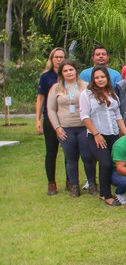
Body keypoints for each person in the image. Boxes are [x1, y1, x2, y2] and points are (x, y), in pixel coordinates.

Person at [80, 66, 126, 206]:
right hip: (97, 135)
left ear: (107, 78)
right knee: (105, 163)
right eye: (97, 77)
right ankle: (106, 195)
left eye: (102, 77)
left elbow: (118, 115)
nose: (100, 80)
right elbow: (84, 117)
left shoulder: (112, 93)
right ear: (93, 80)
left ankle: (108, 190)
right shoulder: (87, 94)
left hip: (113, 134)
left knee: (111, 163)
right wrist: (96, 134)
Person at [47, 60, 89, 198]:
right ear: (61, 73)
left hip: (83, 127)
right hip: (65, 128)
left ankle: (92, 183)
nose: (69, 73)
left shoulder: (86, 86)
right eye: (65, 71)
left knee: (87, 157)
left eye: (71, 70)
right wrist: (57, 128)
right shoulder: (56, 88)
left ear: (76, 70)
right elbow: (51, 109)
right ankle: (74, 185)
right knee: (71, 158)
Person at [36, 47, 65, 195]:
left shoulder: (68, 75)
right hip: (50, 118)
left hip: (67, 119)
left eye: (61, 57)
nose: (59, 59)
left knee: (70, 152)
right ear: (52, 59)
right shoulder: (46, 77)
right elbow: (40, 98)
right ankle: (51, 183)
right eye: (56, 57)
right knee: (51, 151)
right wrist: (38, 119)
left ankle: (71, 181)